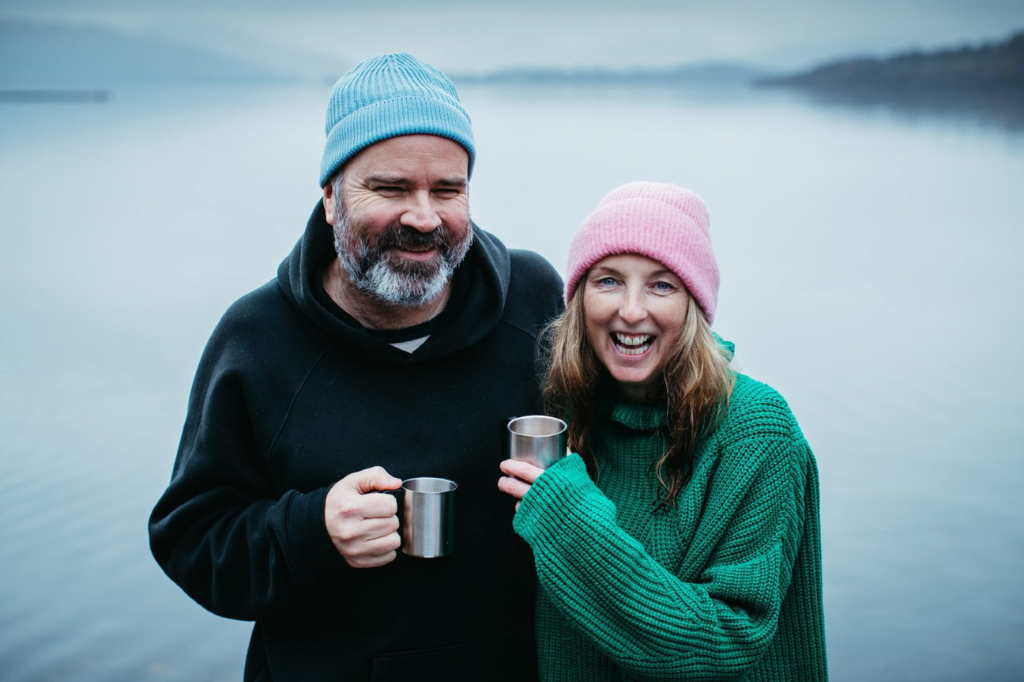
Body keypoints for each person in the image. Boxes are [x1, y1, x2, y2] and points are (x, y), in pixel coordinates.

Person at [149, 53, 563, 681]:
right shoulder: (257, 340)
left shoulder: (532, 299)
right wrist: (309, 532)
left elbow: (623, 437)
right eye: (392, 188)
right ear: (330, 198)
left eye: (447, 190)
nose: (424, 218)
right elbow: (190, 537)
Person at [498, 182, 828, 680]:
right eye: (608, 281)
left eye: (661, 285)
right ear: (579, 298)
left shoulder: (756, 431)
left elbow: (728, 639)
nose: (631, 311)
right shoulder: (564, 412)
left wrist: (571, 522)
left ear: (694, 305)